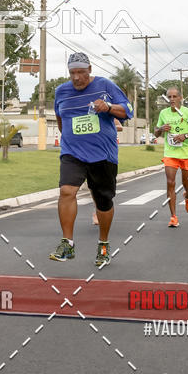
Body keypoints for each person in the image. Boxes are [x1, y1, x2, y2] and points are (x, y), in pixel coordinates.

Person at [50, 52, 133, 266]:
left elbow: (128, 111)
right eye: (72, 73)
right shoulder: (61, 91)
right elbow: (61, 120)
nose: (77, 77)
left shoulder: (105, 86)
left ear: (90, 70)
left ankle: (103, 244)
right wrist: (71, 138)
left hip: (102, 154)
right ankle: (67, 243)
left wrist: (109, 107)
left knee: (103, 202)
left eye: (81, 72)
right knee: (67, 191)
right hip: (72, 153)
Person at [154, 87, 188, 228]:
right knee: (170, 182)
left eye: (175, 96)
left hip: (186, 153)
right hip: (170, 153)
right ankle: (173, 217)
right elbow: (156, 133)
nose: (172, 99)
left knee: (186, 183)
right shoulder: (163, 113)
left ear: (180, 98)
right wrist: (161, 129)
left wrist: (185, 136)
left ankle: (187, 196)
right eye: (169, 97)